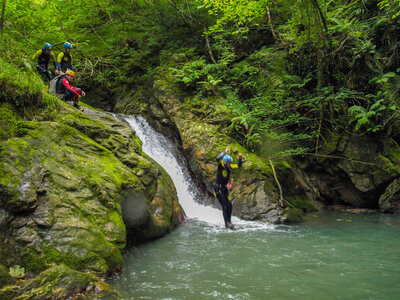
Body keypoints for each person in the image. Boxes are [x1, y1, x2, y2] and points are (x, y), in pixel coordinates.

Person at [213, 148, 243, 229]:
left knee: (229, 204)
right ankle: (226, 223)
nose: (230, 164)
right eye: (228, 163)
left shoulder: (229, 166)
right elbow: (217, 158)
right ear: (225, 162)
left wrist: (240, 159)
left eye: (230, 163)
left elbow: (238, 165)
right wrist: (225, 152)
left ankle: (229, 222)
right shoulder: (221, 165)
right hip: (218, 189)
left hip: (224, 188)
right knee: (225, 205)